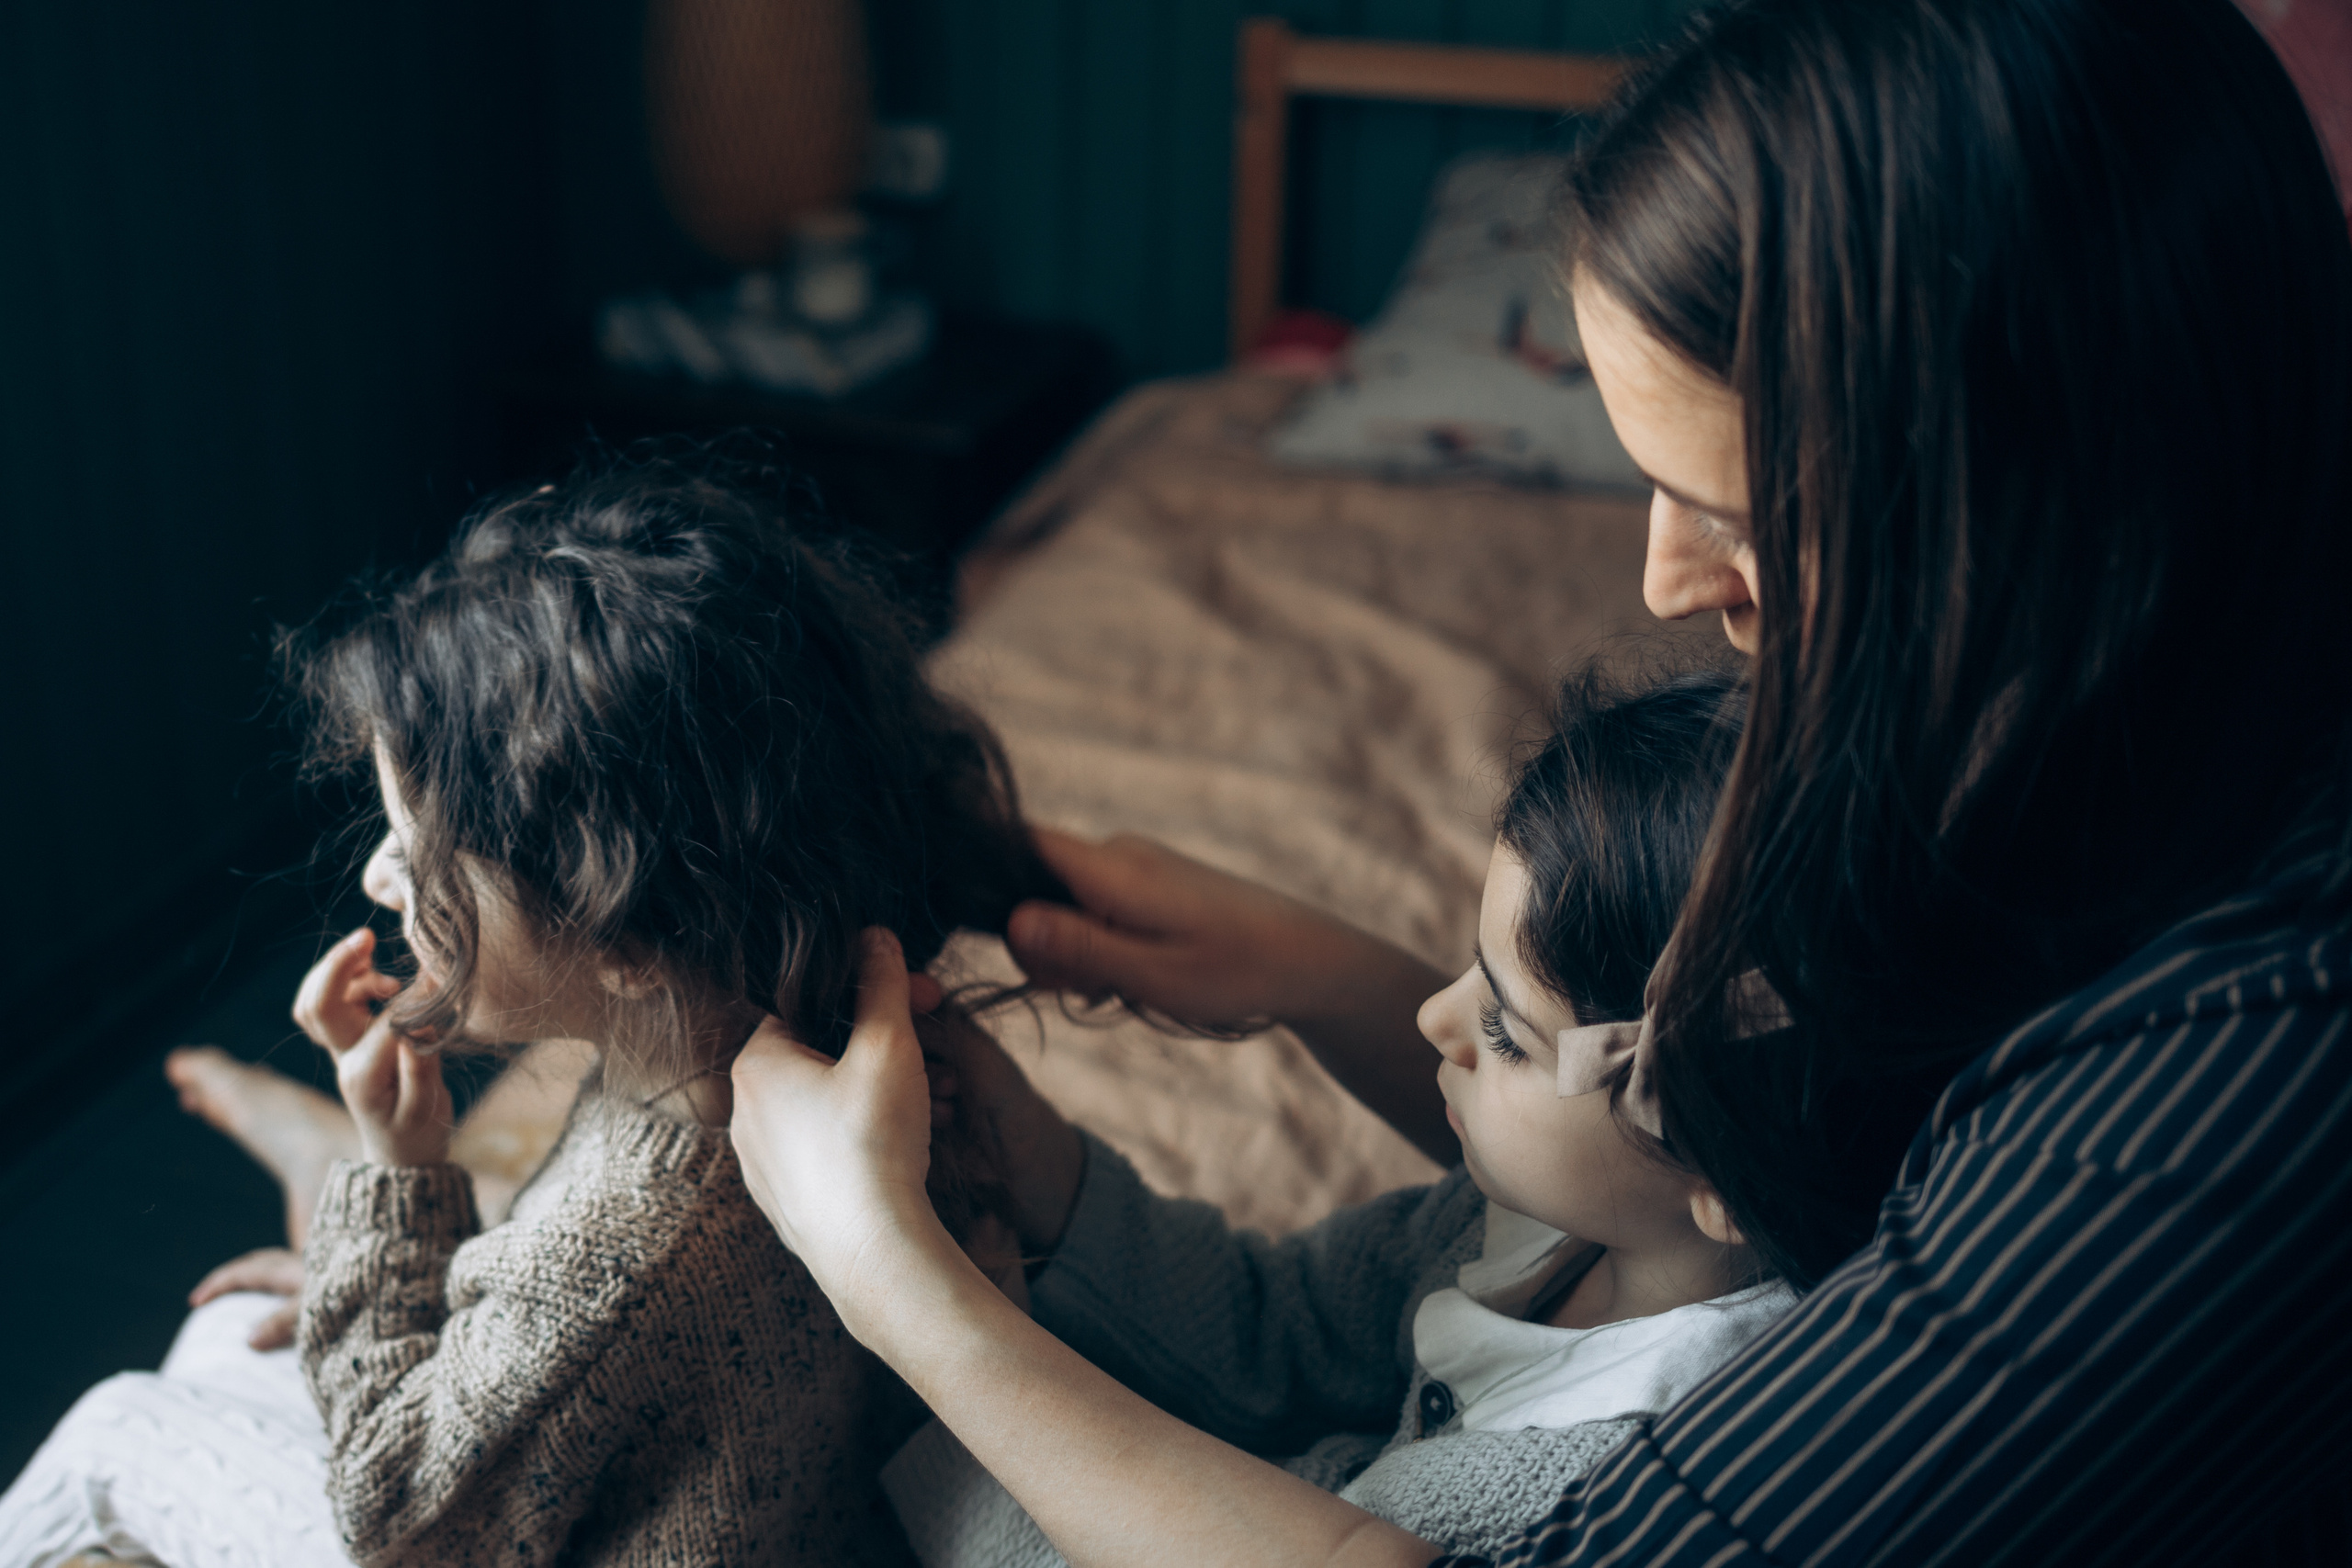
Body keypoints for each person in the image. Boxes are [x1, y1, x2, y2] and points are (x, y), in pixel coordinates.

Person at [724, 0, 2352, 1563]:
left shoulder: (2240, 1082)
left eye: (1737, 506)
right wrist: (1311, 973)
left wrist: (895, 1288)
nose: (1664, 584)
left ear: (2009, 501)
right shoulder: (2076, 736)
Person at [0, 450, 1066, 1568]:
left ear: (627, 936)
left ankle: (331, 1187)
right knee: (227, 1340)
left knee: (117, 1426)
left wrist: (402, 1184)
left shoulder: (613, 1257)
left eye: (414, 850)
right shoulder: (834, 1048)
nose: (376, 876)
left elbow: (396, 1523)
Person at [883, 665, 1795, 1566]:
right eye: (1470, 966)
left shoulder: (1595, 1500)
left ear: (1720, 1168)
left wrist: (945, 1341)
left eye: (1502, 1029)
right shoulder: (1546, 1221)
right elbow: (1271, 1335)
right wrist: (1034, 1158)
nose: (1435, 1018)